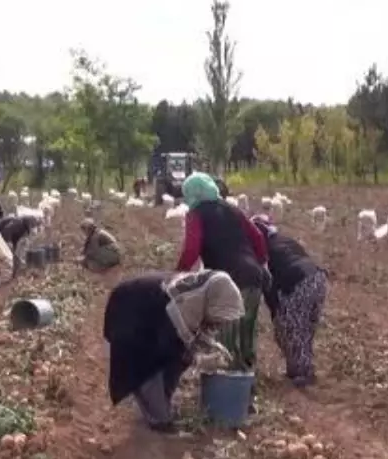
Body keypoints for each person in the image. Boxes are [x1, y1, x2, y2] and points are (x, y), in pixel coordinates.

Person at [104, 270, 244, 433]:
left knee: (177, 360)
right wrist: (201, 360)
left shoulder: (199, 296)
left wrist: (211, 345)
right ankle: (156, 417)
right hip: (128, 316)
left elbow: (194, 336)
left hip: (149, 318)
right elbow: (170, 346)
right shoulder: (181, 306)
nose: (220, 322)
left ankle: (160, 404)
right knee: (148, 367)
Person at [176, 172, 269, 374]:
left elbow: (192, 249)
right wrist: (261, 264)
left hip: (228, 284)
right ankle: (247, 385)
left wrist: (178, 275)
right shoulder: (233, 209)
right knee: (247, 335)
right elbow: (258, 236)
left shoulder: (196, 214)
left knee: (226, 341)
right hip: (254, 277)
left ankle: (227, 392)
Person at [251, 215, 328, 387]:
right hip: (318, 278)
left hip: (299, 282)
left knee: (291, 329)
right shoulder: (284, 240)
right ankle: (300, 369)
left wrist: (275, 312)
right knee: (305, 328)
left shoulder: (263, 251)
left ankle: (302, 374)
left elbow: (268, 284)